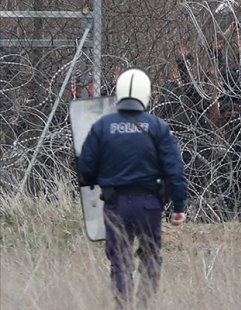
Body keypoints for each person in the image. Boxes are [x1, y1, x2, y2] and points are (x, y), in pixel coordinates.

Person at [77, 68, 188, 309]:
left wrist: (101, 178)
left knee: (120, 262)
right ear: (145, 94)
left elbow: (85, 168)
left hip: (115, 204)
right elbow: (175, 170)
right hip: (148, 204)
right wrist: (179, 206)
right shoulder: (158, 127)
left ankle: (123, 305)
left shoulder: (102, 126)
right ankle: (145, 304)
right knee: (150, 257)